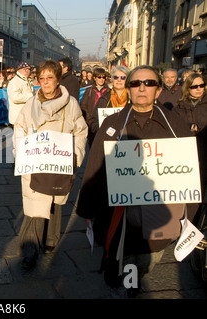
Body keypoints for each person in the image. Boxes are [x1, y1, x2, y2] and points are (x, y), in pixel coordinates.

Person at [76, 65, 197, 297]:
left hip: (160, 212)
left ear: (159, 90)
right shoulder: (112, 124)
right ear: (129, 89)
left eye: (149, 83)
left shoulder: (175, 125)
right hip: (119, 213)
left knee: (148, 258)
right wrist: (87, 209)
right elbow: (95, 168)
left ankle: (134, 279)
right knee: (121, 256)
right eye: (135, 83)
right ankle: (126, 285)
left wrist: (189, 212)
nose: (142, 88)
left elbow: (190, 172)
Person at [13, 60, 88, 269]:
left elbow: (80, 131)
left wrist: (75, 154)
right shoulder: (31, 103)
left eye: (50, 78)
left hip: (59, 161)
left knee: (55, 202)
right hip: (35, 162)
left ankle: (50, 240)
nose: (45, 82)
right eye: (42, 78)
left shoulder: (70, 103)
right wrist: (21, 153)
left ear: (57, 80)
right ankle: (29, 251)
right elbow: (19, 128)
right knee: (35, 205)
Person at [174, 72, 207, 219]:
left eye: (202, 85)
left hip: (204, 155)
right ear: (188, 88)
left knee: (201, 195)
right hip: (185, 157)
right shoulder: (179, 108)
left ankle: (197, 227)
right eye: (195, 86)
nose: (199, 89)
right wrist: (189, 128)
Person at [87, 65, 130, 138]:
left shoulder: (133, 99)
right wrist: (102, 128)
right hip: (108, 140)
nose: (119, 80)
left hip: (129, 141)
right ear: (112, 79)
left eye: (123, 78)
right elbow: (92, 122)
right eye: (116, 77)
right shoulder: (104, 99)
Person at [80, 67, 109, 146]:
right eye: (99, 77)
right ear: (95, 78)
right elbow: (83, 105)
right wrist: (89, 119)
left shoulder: (109, 91)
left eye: (103, 77)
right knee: (93, 145)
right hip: (92, 123)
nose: (101, 79)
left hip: (105, 122)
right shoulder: (89, 90)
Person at [7, 61, 35, 126]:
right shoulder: (15, 81)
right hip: (18, 118)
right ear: (24, 70)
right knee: (20, 136)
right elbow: (15, 97)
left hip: (26, 117)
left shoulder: (26, 80)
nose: (30, 71)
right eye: (29, 69)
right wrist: (31, 96)